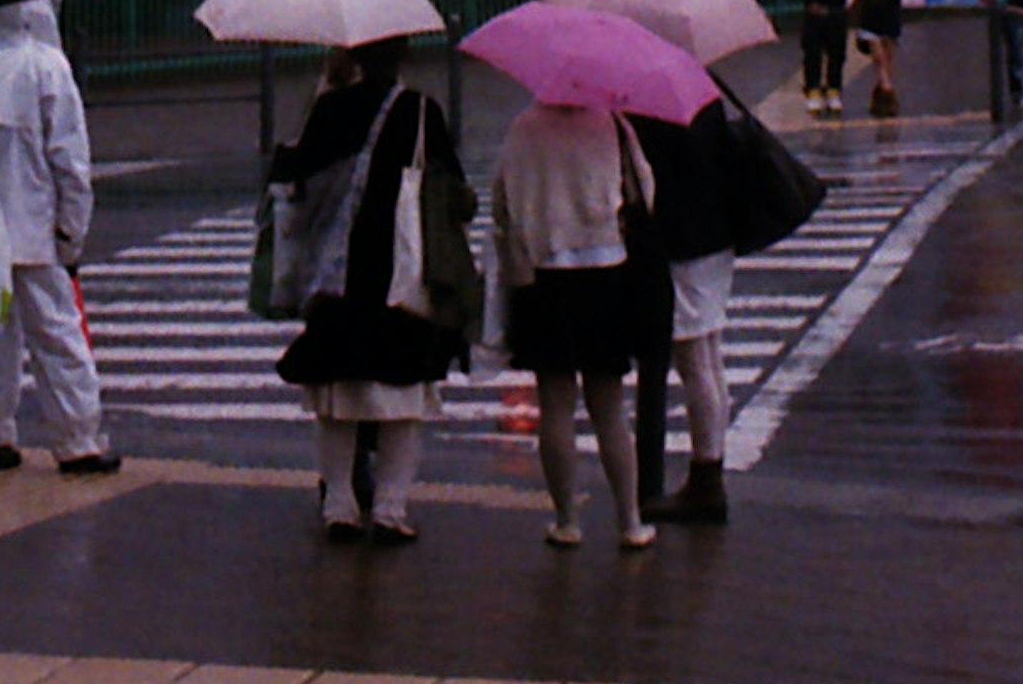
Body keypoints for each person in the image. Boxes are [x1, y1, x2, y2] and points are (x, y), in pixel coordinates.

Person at [264, 40, 475, 541]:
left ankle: (338, 502)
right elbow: (455, 196)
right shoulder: (421, 111)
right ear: (402, 55)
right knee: (403, 392)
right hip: (399, 273)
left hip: (335, 274)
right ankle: (389, 508)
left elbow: (292, 178)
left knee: (337, 392)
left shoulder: (329, 108)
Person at [489, 86, 661, 548]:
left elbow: (501, 203)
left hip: (544, 277)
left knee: (556, 405)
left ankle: (567, 520)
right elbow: (644, 188)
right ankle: (630, 522)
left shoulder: (523, 128)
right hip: (606, 272)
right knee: (609, 408)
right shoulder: (610, 121)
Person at [0, 0, 117, 478]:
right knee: (57, 335)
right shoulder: (50, 69)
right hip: (36, 231)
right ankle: (77, 440)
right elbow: (70, 162)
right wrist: (72, 233)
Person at [640, 91, 742, 522]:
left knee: (695, 360)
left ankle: (706, 474)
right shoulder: (704, 94)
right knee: (710, 354)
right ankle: (710, 466)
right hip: (717, 236)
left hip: (683, 243)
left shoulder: (652, 109)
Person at [853, 0, 910, 123]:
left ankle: (881, 96)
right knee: (878, 56)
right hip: (870, 13)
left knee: (886, 58)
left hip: (889, 13)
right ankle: (887, 90)